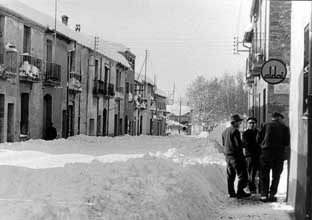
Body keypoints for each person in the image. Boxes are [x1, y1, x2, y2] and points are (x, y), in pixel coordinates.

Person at [257, 112, 290, 202]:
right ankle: (272, 194)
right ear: (279, 118)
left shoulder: (265, 125)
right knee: (276, 175)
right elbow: (286, 142)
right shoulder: (285, 128)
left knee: (264, 174)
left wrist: (263, 145)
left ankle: (264, 194)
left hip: (266, 152)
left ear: (272, 118)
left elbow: (258, 139)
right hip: (278, 153)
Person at [222, 114, 250, 199]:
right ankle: (240, 192)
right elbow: (238, 145)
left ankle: (231, 193)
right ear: (235, 122)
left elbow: (224, 143)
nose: (240, 124)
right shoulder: (235, 131)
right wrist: (245, 145)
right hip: (236, 157)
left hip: (228, 157)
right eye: (239, 122)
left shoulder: (225, 131)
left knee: (231, 176)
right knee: (243, 175)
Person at [242, 117, 261, 194]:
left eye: (253, 123)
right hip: (250, 156)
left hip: (259, 155)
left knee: (261, 173)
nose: (252, 124)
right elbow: (246, 144)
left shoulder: (259, 132)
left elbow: (260, 142)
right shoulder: (245, 133)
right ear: (247, 124)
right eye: (250, 123)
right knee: (251, 174)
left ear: (256, 124)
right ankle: (251, 188)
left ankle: (261, 189)